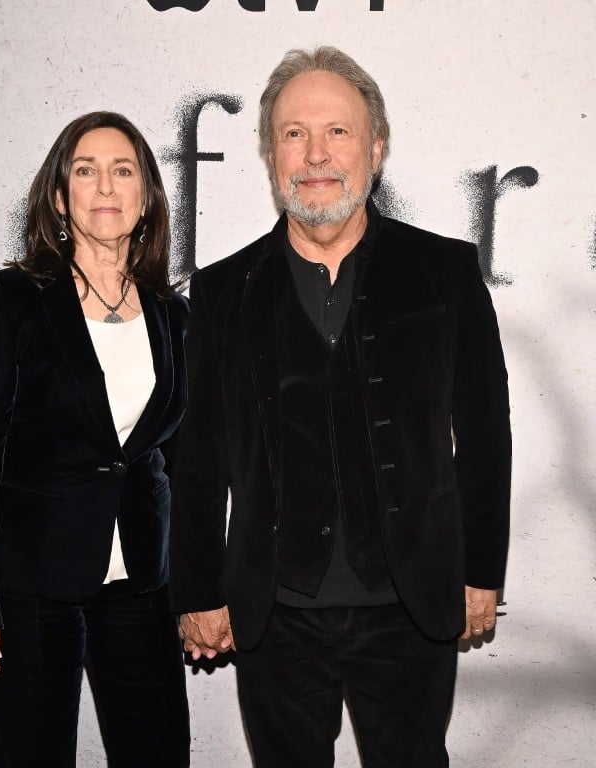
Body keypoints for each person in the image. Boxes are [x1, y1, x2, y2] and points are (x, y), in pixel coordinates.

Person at [169, 47, 511, 767]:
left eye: (339, 132)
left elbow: (483, 435)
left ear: (375, 147)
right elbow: (199, 456)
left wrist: (482, 571)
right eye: (294, 133)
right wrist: (197, 589)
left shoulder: (445, 272)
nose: (315, 154)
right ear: (270, 153)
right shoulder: (224, 292)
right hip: (275, 615)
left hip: (411, 605)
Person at [0, 111, 190, 768]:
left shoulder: (173, 312)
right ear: (59, 196)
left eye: (123, 169)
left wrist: (201, 586)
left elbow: (179, 460)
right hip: (29, 586)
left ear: (147, 197)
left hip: (140, 585)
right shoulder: (12, 300)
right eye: (85, 169)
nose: (104, 183)